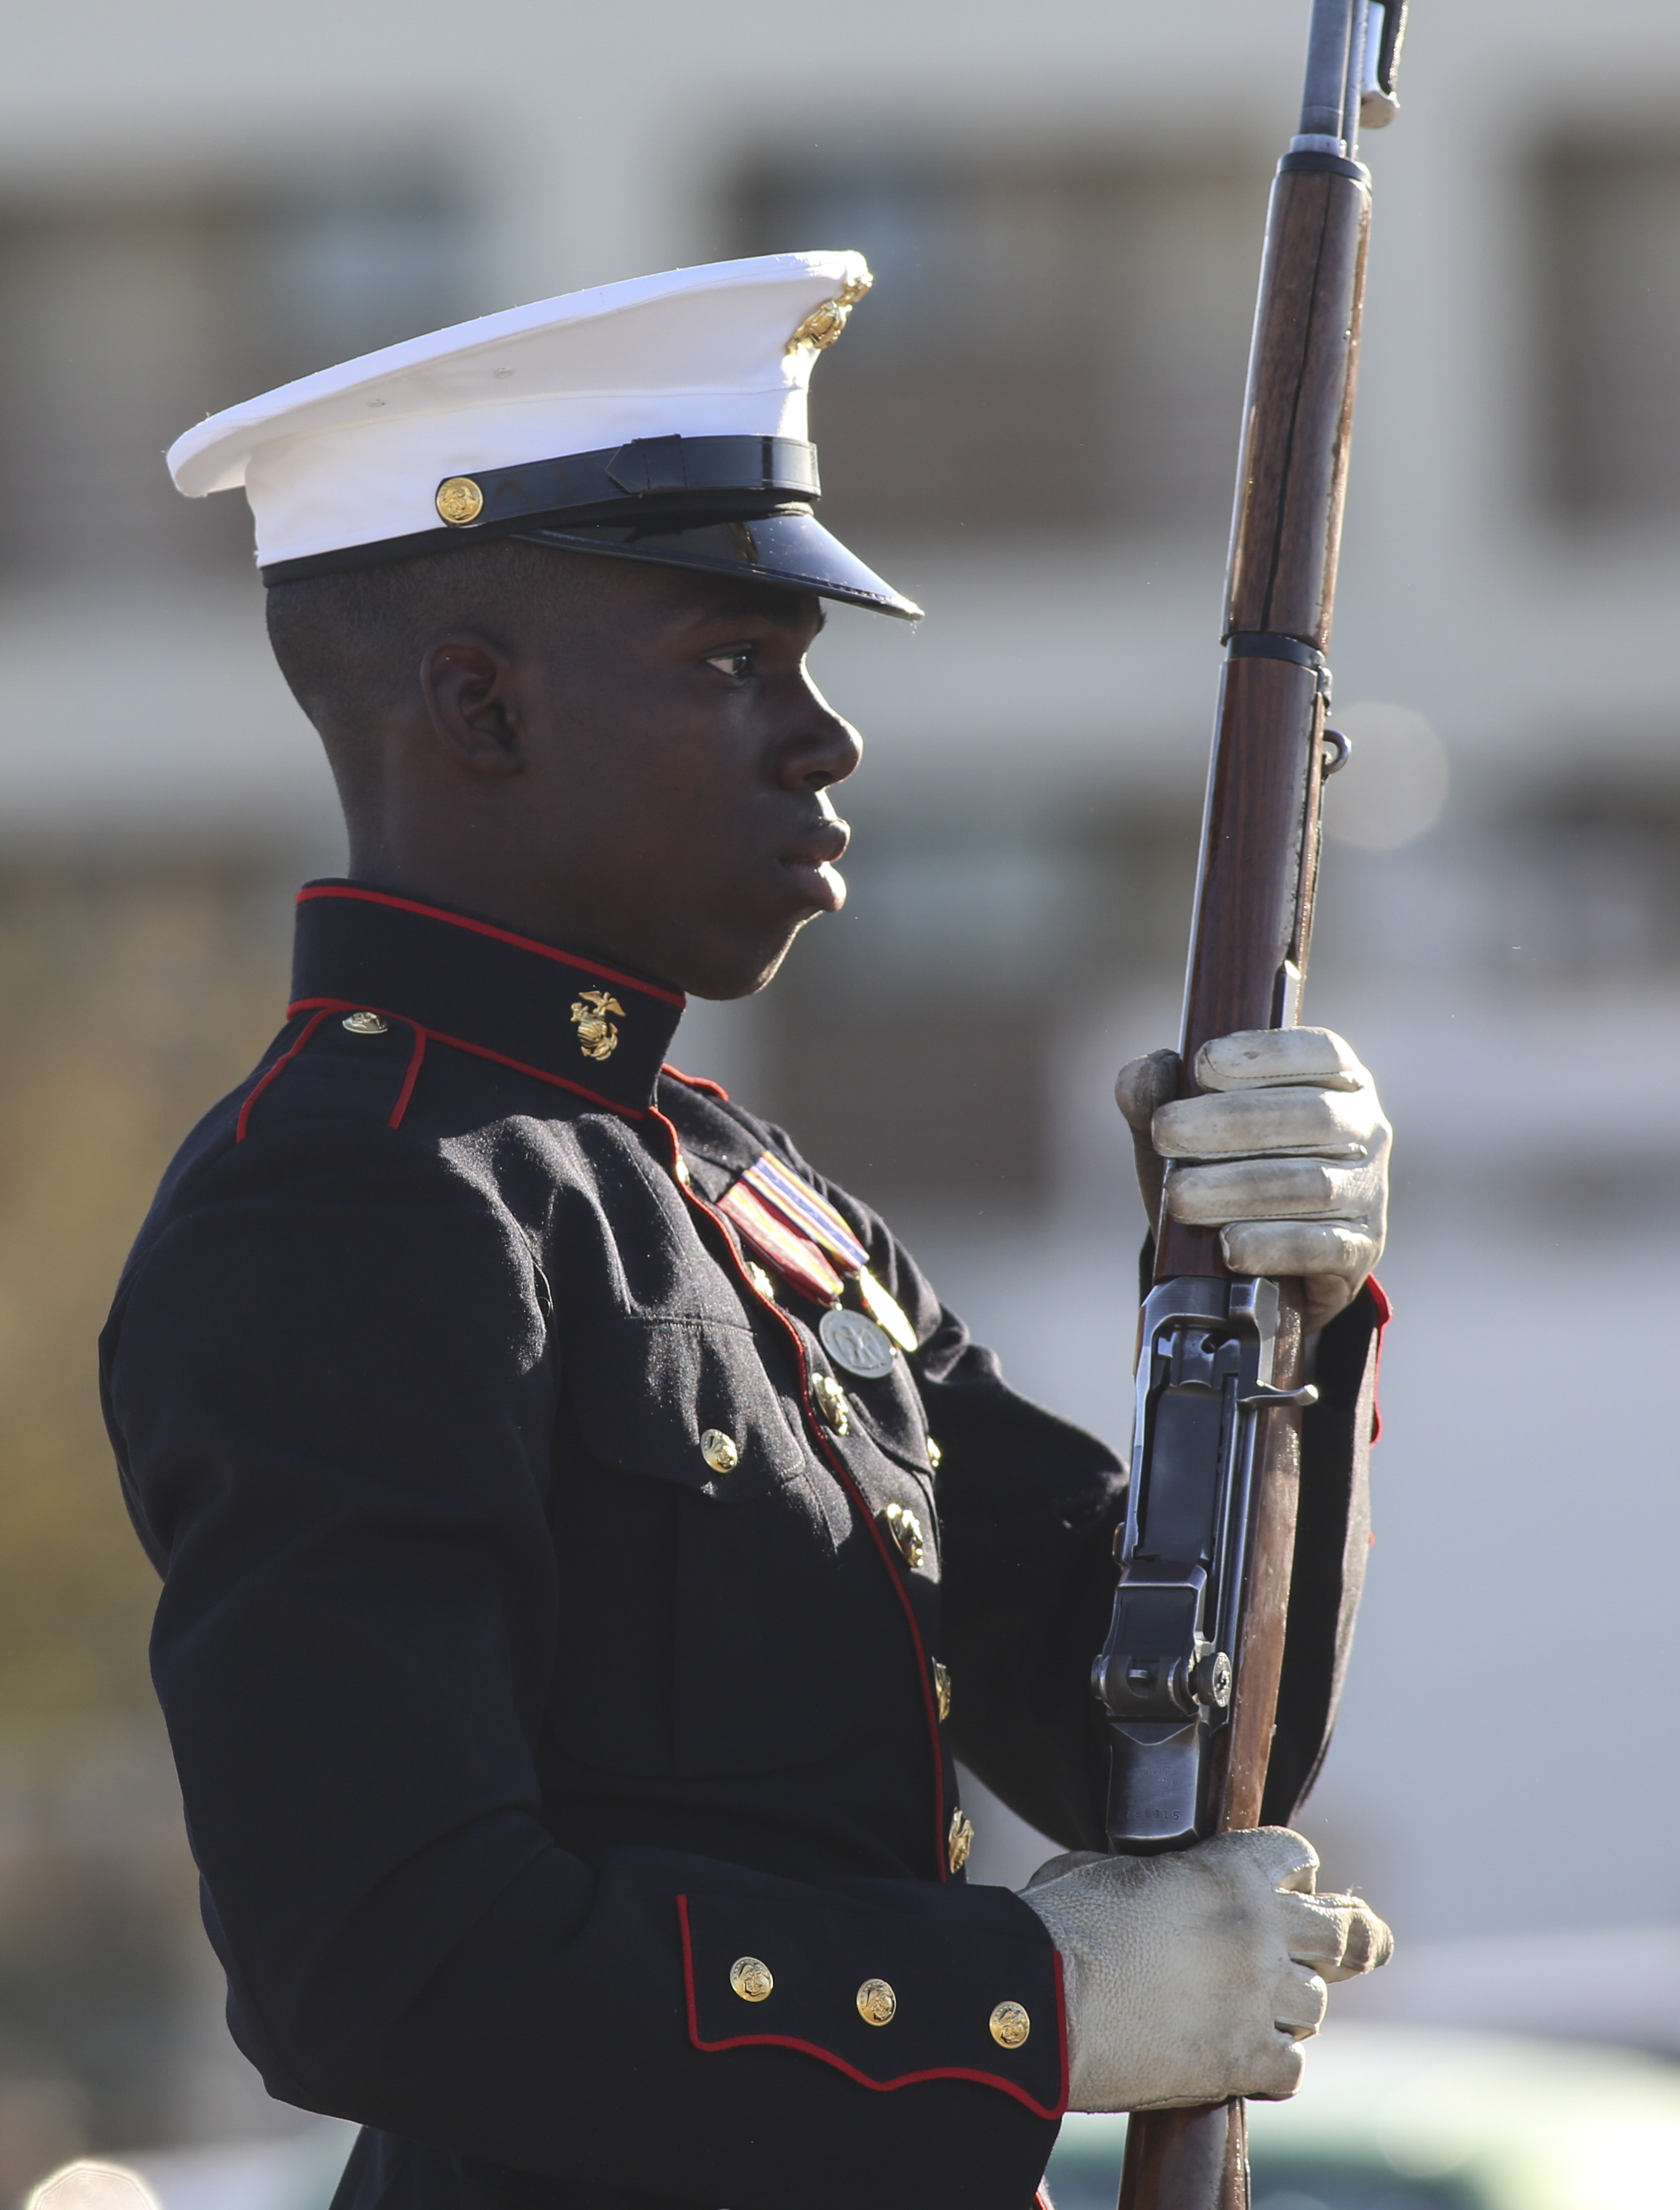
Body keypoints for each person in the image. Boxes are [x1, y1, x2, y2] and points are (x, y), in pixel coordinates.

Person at [100, 251, 1393, 2210]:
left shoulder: (743, 1193)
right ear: (478, 706)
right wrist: (1023, 2007)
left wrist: (1274, 1314)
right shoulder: (355, 1198)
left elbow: (1162, 1740)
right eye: (733, 661)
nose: (824, 736)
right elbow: (381, 1958)